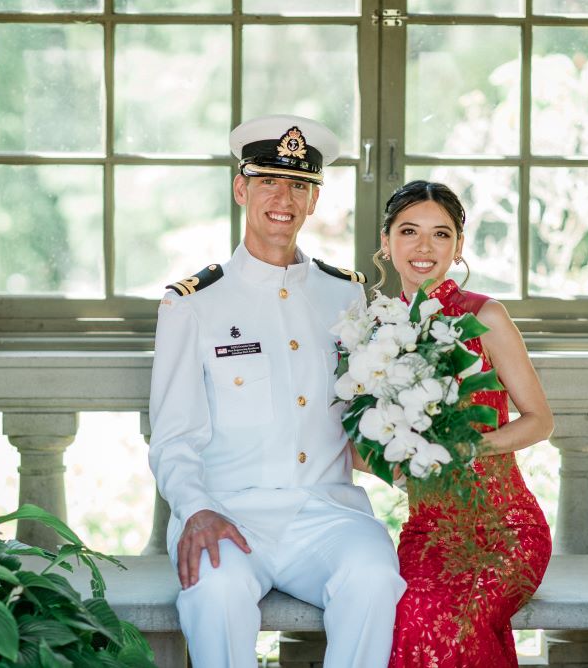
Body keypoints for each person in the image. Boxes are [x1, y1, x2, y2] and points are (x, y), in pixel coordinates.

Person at [148, 114, 406, 668]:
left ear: (314, 200)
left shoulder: (346, 296)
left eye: (298, 185)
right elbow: (173, 437)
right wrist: (195, 509)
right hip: (227, 510)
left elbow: (361, 417)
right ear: (241, 189)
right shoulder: (193, 304)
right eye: (268, 181)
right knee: (216, 593)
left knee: (374, 577)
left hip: (327, 511)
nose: (283, 198)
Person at [374, 180, 554, 667]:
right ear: (386, 242)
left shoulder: (484, 316)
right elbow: (364, 439)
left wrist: (469, 448)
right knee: (408, 614)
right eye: (409, 231)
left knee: (453, 621)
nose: (424, 247)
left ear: (458, 247)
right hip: (429, 530)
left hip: (505, 528)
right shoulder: (376, 331)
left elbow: (540, 421)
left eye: (441, 234)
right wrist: (396, 463)